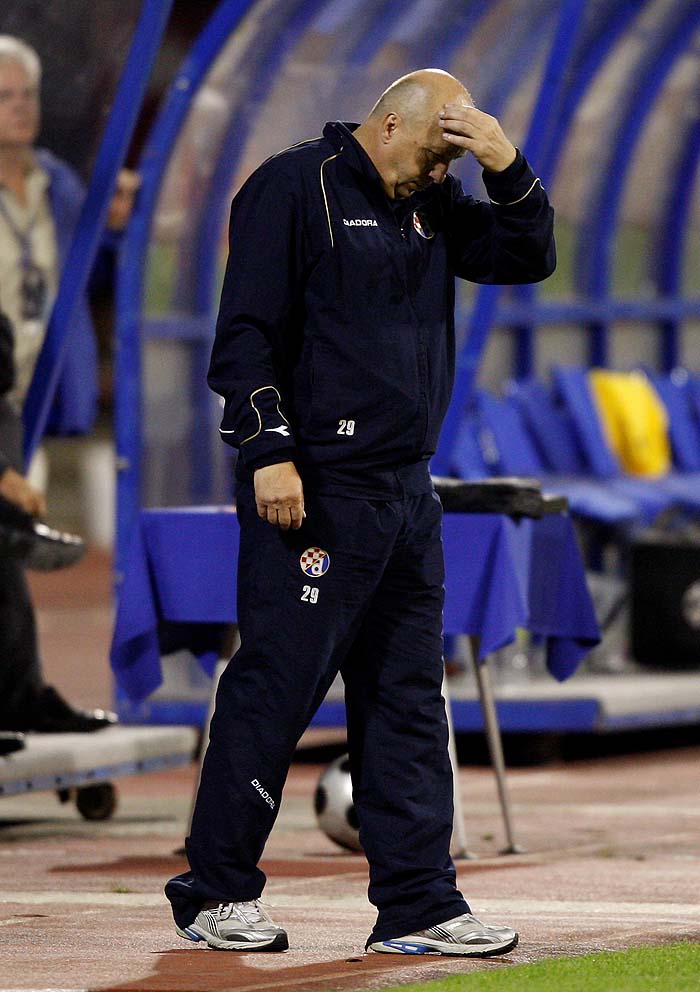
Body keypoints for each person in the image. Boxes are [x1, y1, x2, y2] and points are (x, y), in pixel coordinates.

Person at [166, 69, 555, 955]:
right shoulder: (291, 186)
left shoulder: (437, 198)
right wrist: (269, 449)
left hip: (405, 492)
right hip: (317, 486)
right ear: (387, 126)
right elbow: (246, 332)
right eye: (430, 152)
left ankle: (418, 906)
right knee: (276, 690)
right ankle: (215, 893)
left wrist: (504, 163)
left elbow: (527, 257)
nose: (435, 172)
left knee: (410, 698)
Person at [0, 35, 134, 734]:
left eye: (26, 95)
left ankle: (22, 695)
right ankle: (22, 695)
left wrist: (113, 228)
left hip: (32, 394)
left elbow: (94, 274)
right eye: (4, 97)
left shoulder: (59, 182)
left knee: (9, 554)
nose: (19, 110)